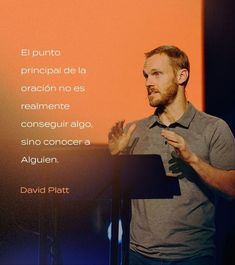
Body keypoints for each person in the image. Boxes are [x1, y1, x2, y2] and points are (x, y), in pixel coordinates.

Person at [108, 45, 235, 265]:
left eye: (156, 74)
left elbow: (232, 189)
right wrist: (116, 158)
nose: (148, 82)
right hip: (140, 256)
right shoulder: (134, 131)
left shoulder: (214, 128)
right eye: (146, 76)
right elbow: (110, 192)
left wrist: (192, 159)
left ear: (181, 75)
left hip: (194, 256)